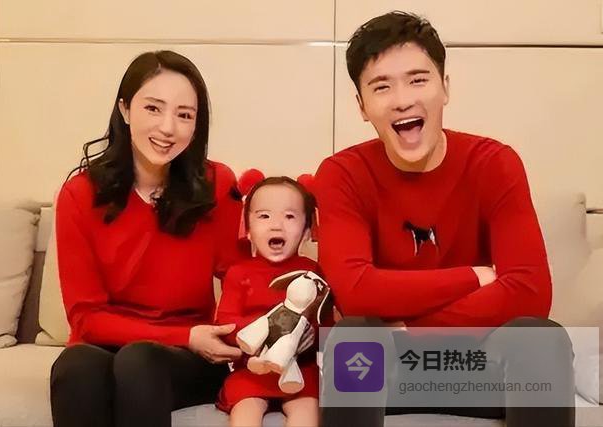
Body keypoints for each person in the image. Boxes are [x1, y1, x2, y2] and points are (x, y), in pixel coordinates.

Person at [315, 11, 575, 427]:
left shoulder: (495, 163)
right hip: (388, 370)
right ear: (362, 106)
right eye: (381, 87)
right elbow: (356, 292)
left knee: (541, 339)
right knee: (355, 338)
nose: (402, 100)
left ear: (445, 88)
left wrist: (408, 326)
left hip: (480, 364)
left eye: (418, 80)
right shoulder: (341, 174)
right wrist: (473, 277)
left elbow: (530, 292)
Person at [50, 50, 246, 427]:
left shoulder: (217, 184)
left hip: (184, 358)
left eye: (184, 115)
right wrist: (185, 334)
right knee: (76, 366)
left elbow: (240, 277)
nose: (168, 128)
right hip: (114, 345)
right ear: (125, 110)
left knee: (139, 360)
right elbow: (86, 318)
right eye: (153, 108)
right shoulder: (79, 195)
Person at [215, 176, 320, 427]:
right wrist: (266, 330)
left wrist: (310, 334)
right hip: (252, 369)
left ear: (307, 231)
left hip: (298, 370)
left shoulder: (312, 272)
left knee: (307, 411)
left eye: (289, 216)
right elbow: (225, 324)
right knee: (245, 411)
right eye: (264, 216)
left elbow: (323, 322)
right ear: (248, 230)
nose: (276, 226)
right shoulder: (239, 272)